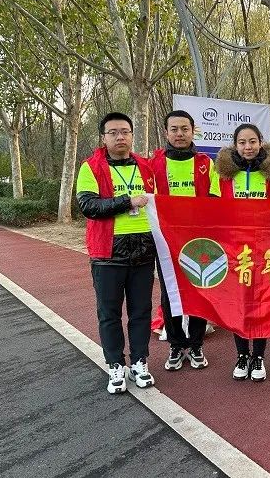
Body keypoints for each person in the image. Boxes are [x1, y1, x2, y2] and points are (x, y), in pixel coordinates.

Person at [75, 112, 157, 394]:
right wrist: (127, 201)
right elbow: (89, 206)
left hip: (144, 248)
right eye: (113, 133)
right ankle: (115, 365)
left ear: (132, 135)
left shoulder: (146, 167)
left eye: (125, 132)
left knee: (141, 311)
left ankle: (140, 362)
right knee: (109, 313)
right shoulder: (91, 167)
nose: (120, 137)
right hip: (107, 251)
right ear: (104, 137)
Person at [215, 123, 270, 381]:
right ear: (235, 145)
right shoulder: (223, 175)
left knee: (261, 304)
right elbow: (212, 210)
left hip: (264, 250)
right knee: (238, 304)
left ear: (260, 142)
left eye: (252, 141)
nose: (248, 147)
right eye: (242, 142)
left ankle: (259, 357)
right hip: (234, 250)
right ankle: (242, 355)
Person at [151, 110, 220, 372]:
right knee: (170, 292)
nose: (179, 134)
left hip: (198, 240)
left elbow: (215, 199)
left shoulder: (206, 163)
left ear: (193, 131)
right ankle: (176, 345)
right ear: (166, 132)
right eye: (174, 129)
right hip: (166, 241)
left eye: (185, 129)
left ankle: (196, 344)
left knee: (200, 290)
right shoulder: (154, 164)